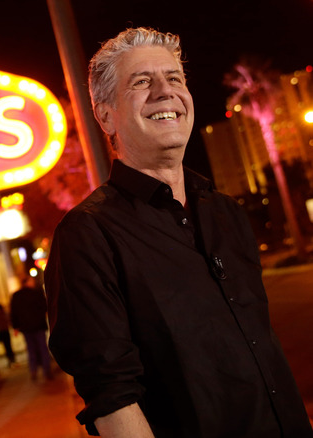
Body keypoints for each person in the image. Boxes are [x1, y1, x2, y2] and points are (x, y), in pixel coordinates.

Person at [44, 27, 313, 437]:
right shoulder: (86, 236)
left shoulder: (227, 213)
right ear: (105, 115)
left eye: (174, 79)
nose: (164, 92)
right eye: (141, 82)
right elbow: (112, 397)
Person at [9, 276, 52, 381]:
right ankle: (47, 371)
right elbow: (45, 307)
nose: (33, 282)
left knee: (31, 349)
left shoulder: (16, 296)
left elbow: (13, 312)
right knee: (43, 348)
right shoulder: (37, 293)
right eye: (31, 280)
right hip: (38, 326)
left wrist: (15, 327)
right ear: (27, 282)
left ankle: (33, 370)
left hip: (26, 327)